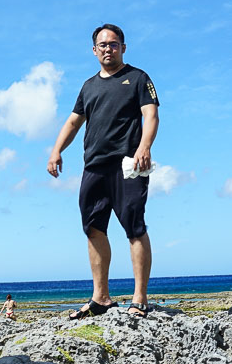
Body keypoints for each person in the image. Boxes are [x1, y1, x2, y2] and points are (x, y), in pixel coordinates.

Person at [48, 23, 159, 319]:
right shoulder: (88, 86)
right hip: (94, 166)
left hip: (129, 166)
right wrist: (56, 150)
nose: (108, 49)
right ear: (94, 50)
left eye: (113, 44)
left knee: (134, 227)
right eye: (102, 45)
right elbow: (73, 122)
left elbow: (150, 114)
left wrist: (144, 147)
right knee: (93, 228)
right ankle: (101, 298)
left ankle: (140, 298)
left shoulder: (138, 78)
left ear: (123, 47)